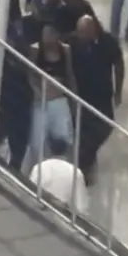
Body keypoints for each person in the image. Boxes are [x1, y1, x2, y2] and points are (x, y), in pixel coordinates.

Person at [69, 16, 124, 183]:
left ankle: (87, 157)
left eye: (83, 32)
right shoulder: (74, 43)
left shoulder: (108, 42)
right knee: (82, 132)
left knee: (105, 126)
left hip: (102, 95)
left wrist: (118, 91)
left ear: (92, 30)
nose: (80, 36)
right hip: (81, 95)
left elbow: (119, 64)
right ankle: (82, 168)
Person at [0, 26, 32, 171]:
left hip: (21, 103)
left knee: (19, 143)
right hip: (3, 103)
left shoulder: (23, 57)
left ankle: (15, 168)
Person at [28, 23, 76, 165]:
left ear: (56, 35)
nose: (46, 38)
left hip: (58, 98)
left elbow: (69, 74)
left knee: (64, 137)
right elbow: (30, 74)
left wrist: (73, 97)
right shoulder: (36, 50)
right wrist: (38, 91)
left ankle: (62, 166)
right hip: (41, 100)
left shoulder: (65, 50)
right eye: (44, 35)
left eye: (49, 34)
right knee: (37, 141)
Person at [29, 138, 88, 213]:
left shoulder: (39, 167)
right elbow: (81, 207)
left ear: (50, 150)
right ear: (67, 151)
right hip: (62, 215)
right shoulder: (76, 172)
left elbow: (30, 195)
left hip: (39, 213)